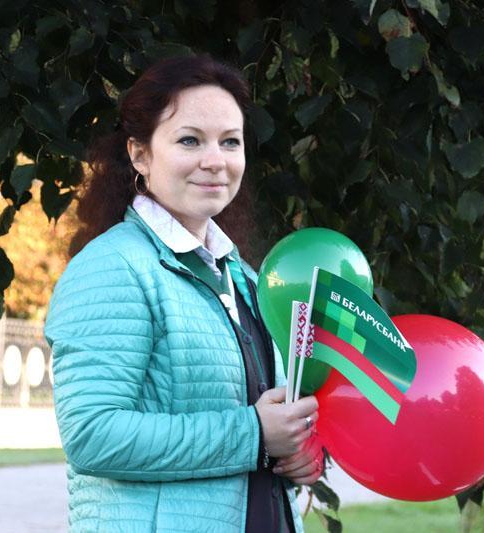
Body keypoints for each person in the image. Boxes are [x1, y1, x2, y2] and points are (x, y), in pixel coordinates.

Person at [44, 54, 323, 532]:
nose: (215, 160)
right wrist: (254, 435)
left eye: (230, 141)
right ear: (140, 154)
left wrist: (299, 450)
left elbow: (268, 417)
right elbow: (92, 434)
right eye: (190, 140)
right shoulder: (113, 267)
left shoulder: (243, 277)